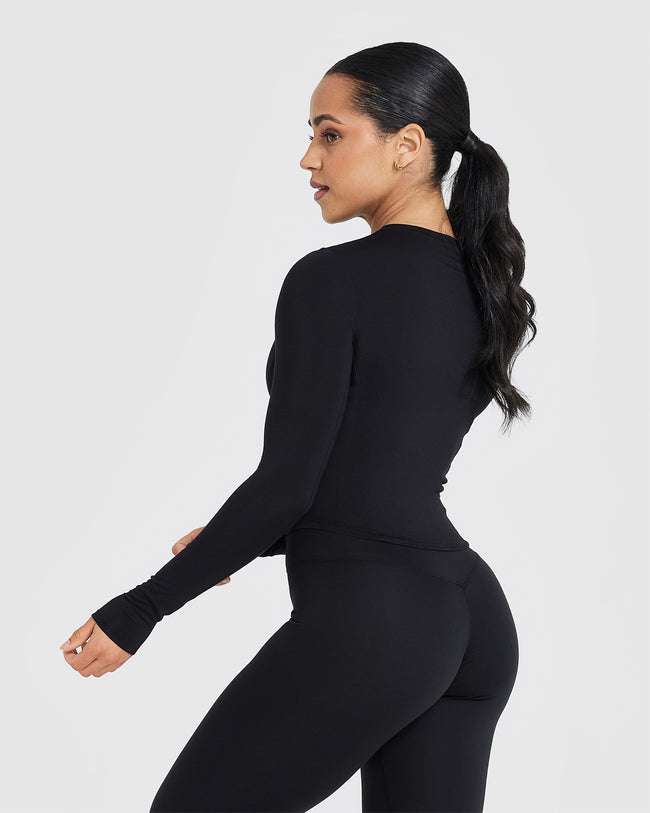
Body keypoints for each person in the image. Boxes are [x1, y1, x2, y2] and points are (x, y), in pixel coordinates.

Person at [60, 41, 536, 812]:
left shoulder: (332, 279)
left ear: (408, 145)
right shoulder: (485, 289)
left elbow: (288, 484)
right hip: (469, 618)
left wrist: (141, 607)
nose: (309, 158)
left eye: (330, 133)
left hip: (375, 620)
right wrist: (244, 538)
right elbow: (379, 466)